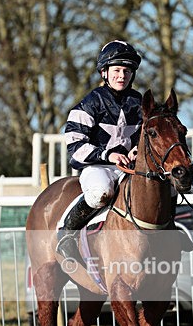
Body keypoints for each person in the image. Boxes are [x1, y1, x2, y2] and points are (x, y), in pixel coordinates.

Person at [56, 40, 143, 260]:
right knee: (102, 192)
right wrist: (108, 154)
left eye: (126, 71)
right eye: (116, 70)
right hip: (96, 167)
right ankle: (66, 231)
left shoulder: (139, 102)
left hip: (129, 168)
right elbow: (75, 145)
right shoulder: (90, 103)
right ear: (104, 72)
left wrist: (136, 151)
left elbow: (146, 137)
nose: (121, 76)